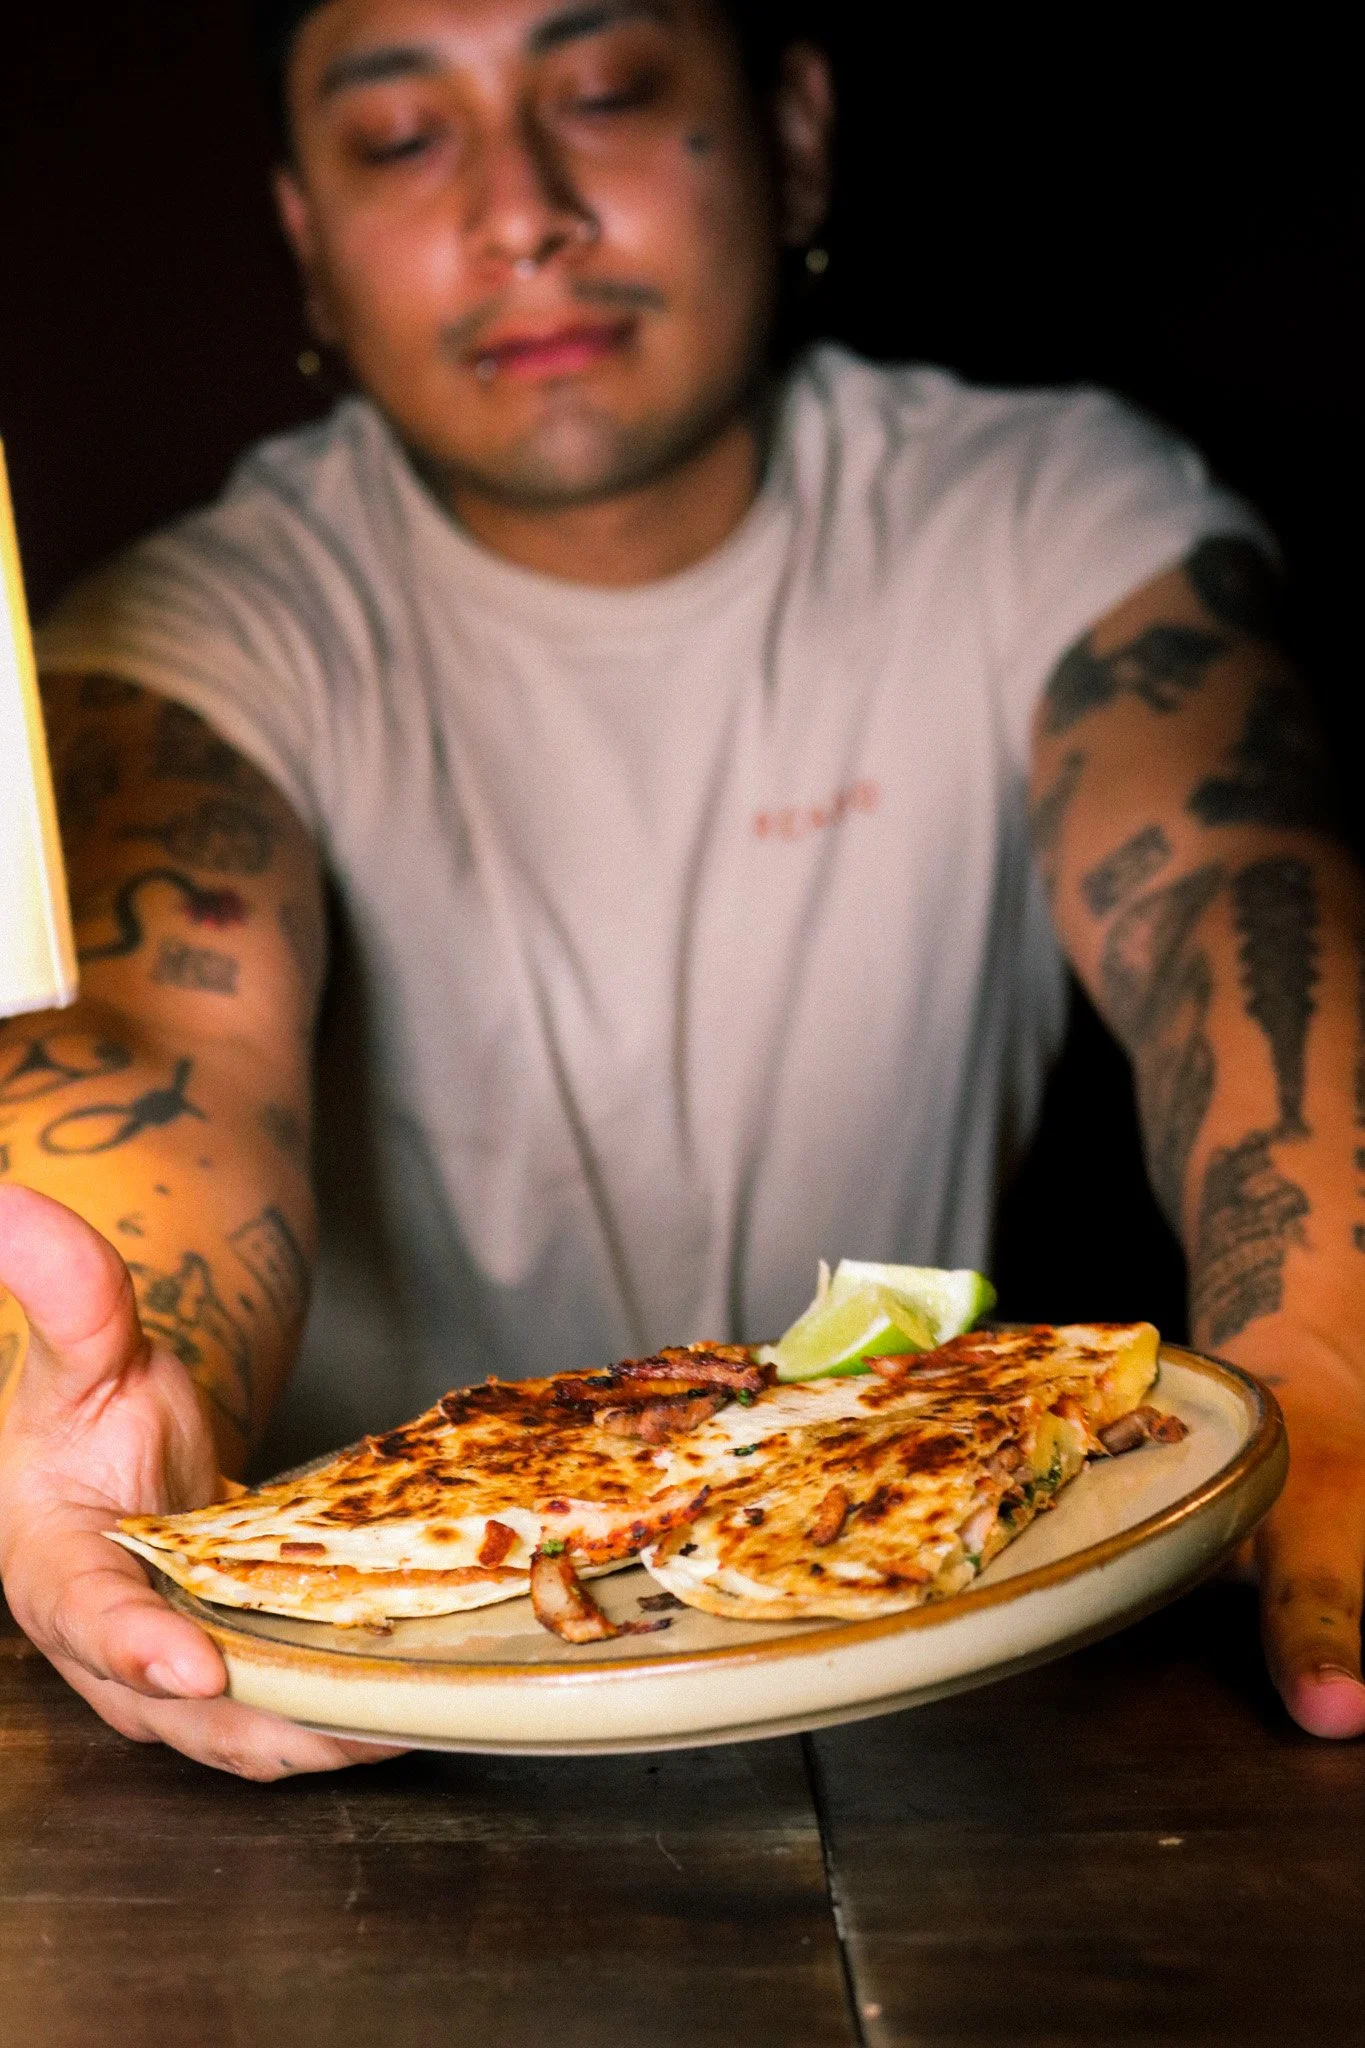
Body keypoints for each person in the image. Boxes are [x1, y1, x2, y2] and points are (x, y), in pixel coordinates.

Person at [1, 0, 1362, 1780]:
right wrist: (99, 1392)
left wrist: (1325, 1375)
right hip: (376, 1763)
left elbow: (1230, 899)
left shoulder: (1049, 521)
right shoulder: (184, 646)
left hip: (928, 1691)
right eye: (405, 139)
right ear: (305, 241)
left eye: (607, 92)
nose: (521, 211)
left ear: (794, 131)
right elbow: (159, 1043)